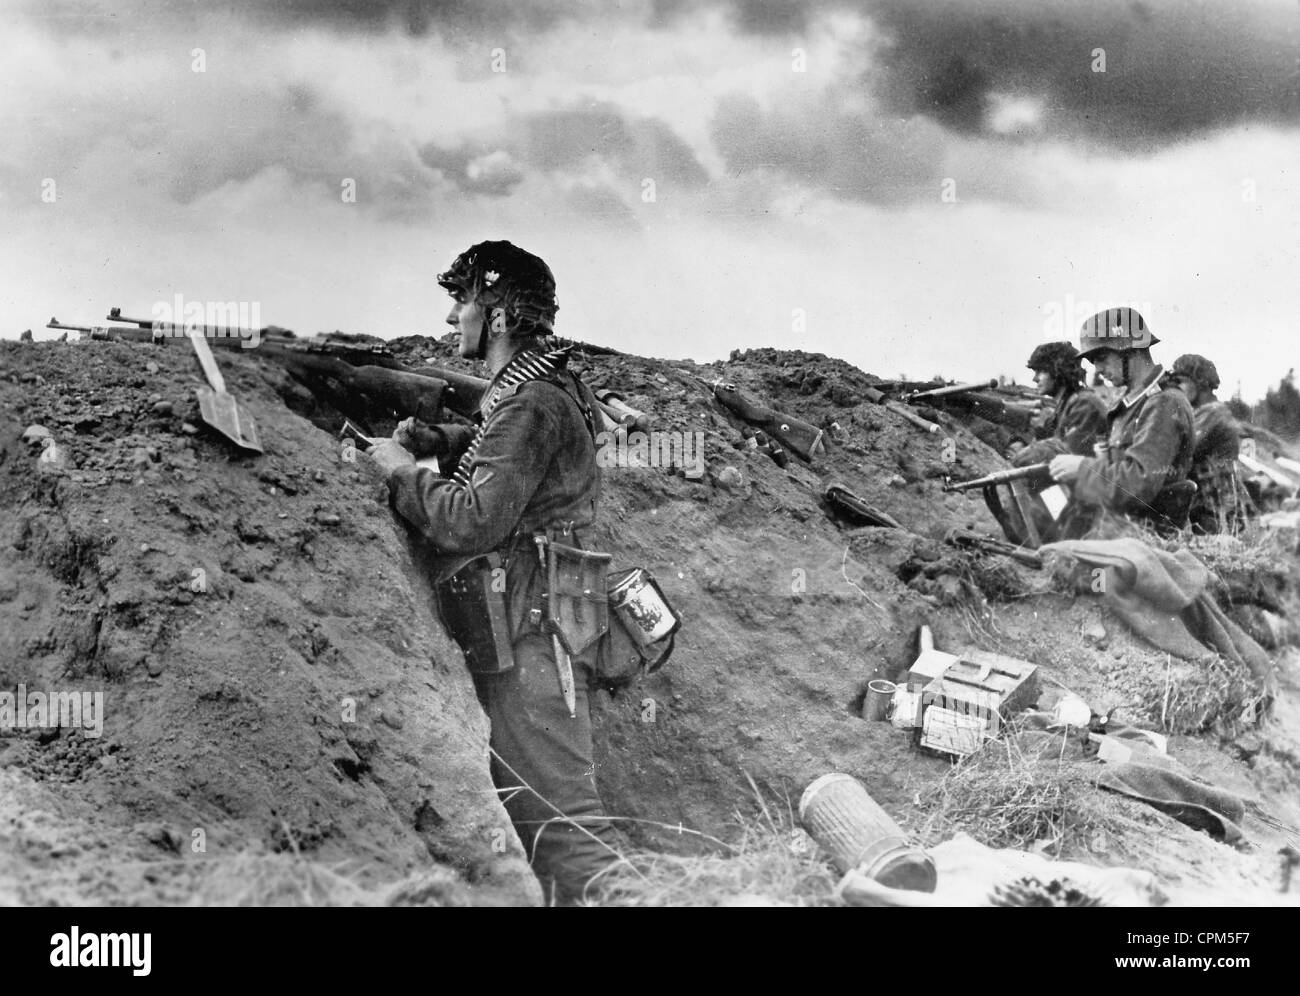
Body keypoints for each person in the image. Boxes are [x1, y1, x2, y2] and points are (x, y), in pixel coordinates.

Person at [366, 240, 620, 904]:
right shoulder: (542, 386)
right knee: (539, 811)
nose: (453, 318)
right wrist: (446, 443)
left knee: (565, 823)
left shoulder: (532, 399)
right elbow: (522, 462)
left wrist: (400, 474)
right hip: (544, 614)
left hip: (537, 630)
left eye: (462, 302)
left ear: (499, 315)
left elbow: (474, 520)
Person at [1048, 307, 1196, 535]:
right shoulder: (1134, 403)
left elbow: (1140, 482)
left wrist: (1082, 468)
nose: (1097, 369)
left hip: (1146, 535)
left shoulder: (1164, 403)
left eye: (1102, 358)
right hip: (1119, 525)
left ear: (1130, 350)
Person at [1170, 353, 1253, 534]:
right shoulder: (1203, 413)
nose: (1176, 388)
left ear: (1200, 381)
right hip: (1210, 504)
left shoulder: (1213, 414)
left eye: (1181, 381)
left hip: (1218, 506)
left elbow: (1181, 448)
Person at [1012, 341, 1107, 466]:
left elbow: (1073, 453)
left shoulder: (1084, 403)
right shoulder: (1068, 402)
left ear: (1058, 371)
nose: (1035, 379)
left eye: (1040, 371)